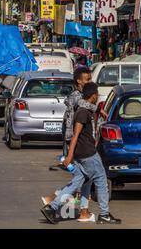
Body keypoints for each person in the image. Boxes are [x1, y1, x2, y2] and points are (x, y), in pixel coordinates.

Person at [41, 83, 122, 225]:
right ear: (94, 96)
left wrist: (100, 110)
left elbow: (93, 109)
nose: (97, 96)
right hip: (87, 154)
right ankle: (104, 214)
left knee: (77, 181)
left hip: (81, 154)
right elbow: (75, 135)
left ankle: (52, 208)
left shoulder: (85, 108)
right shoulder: (83, 113)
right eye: (96, 94)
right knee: (101, 181)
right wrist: (69, 156)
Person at [62, 67, 92, 156]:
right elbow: (70, 117)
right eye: (87, 79)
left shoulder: (85, 94)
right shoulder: (75, 96)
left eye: (90, 79)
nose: (90, 82)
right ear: (79, 81)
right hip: (74, 135)